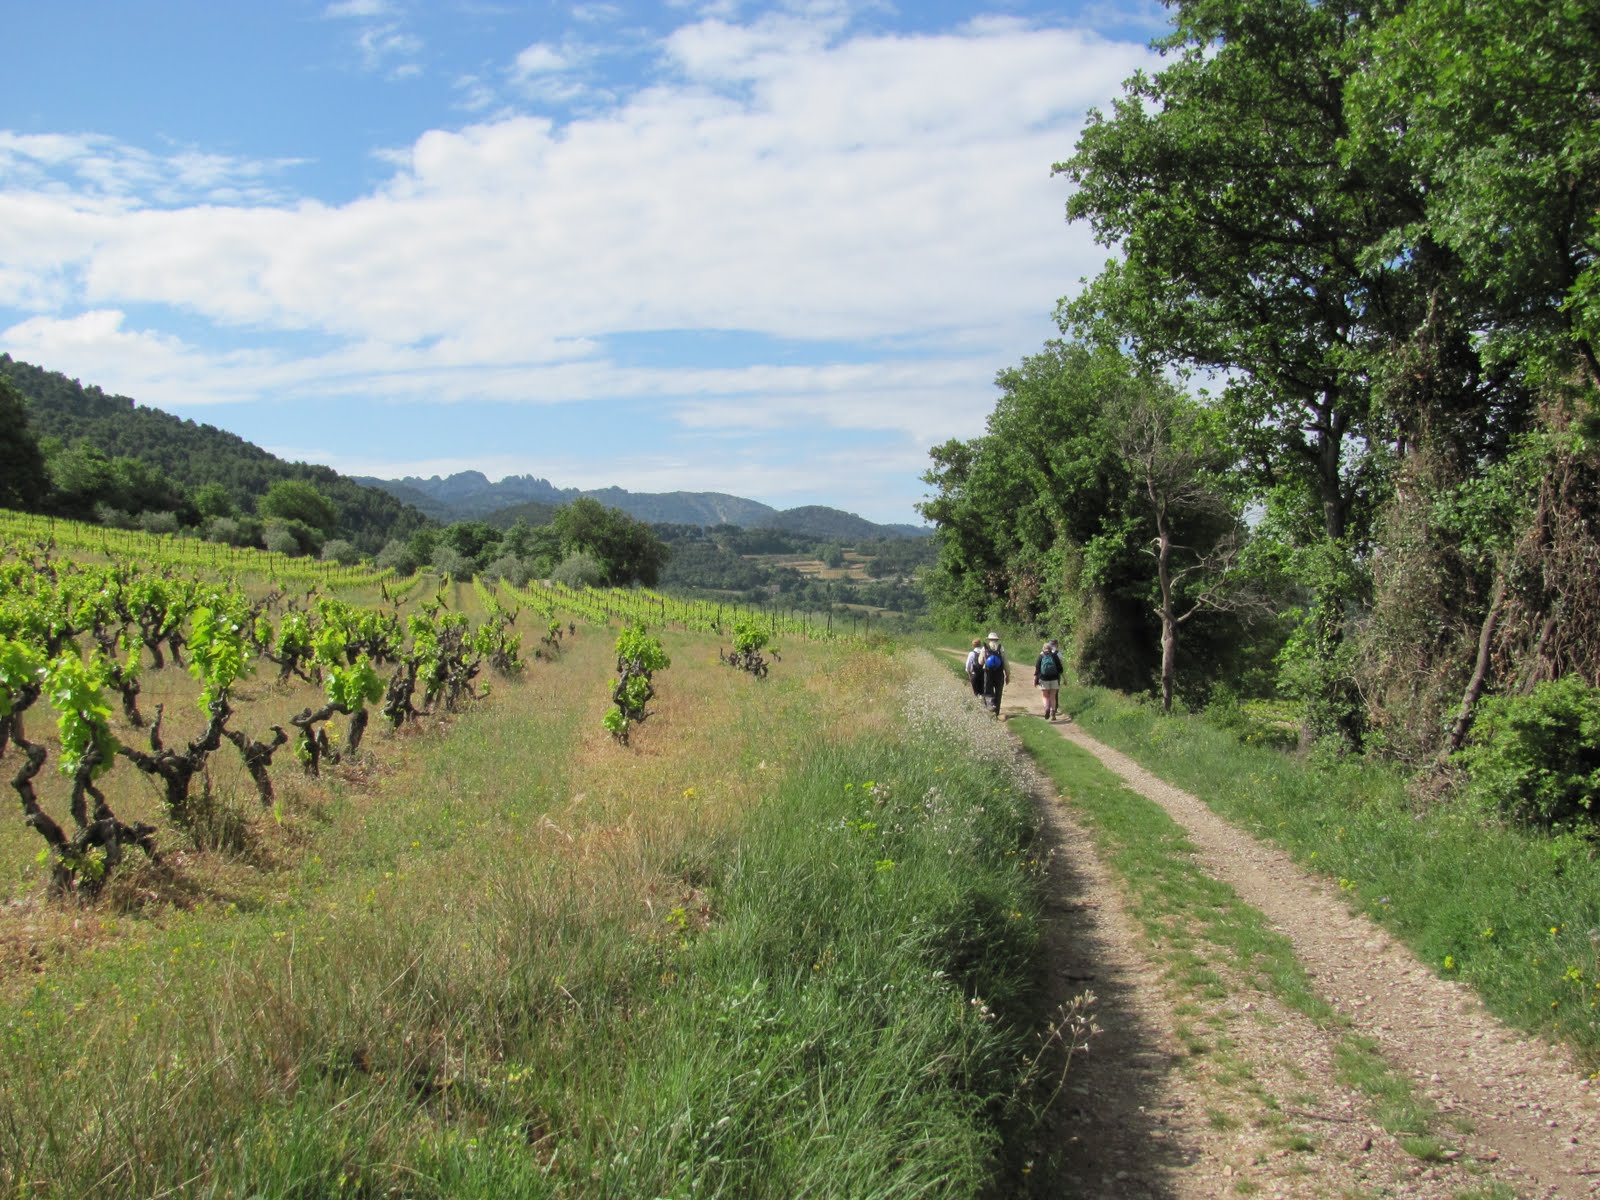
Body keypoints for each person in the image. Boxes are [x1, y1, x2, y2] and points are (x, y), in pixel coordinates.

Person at [1034, 639, 1064, 721]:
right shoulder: (1054, 656)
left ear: (1043, 649)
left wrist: (1036, 679)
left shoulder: (1041, 656)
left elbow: (1037, 669)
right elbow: (1060, 669)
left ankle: (1047, 708)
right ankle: (1053, 712)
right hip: (1054, 678)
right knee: (1053, 696)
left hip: (1044, 679)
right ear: (1050, 648)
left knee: (1045, 696)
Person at [981, 632, 1009, 717]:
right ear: (997, 640)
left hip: (988, 673)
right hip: (999, 673)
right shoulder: (1001, 648)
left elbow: (980, 661)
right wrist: (1007, 675)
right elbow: (1005, 663)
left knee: (988, 690)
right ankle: (997, 711)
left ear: (989, 640)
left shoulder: (985, 648)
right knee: (998, 692)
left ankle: (990, 707)